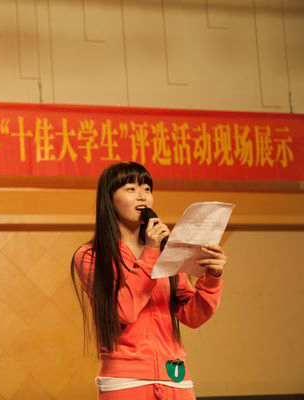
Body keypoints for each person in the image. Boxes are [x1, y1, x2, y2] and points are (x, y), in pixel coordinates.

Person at [71, 161, 226, 400]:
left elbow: (193, 316)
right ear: (109, 199)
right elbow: (123, 311)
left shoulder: (167, 253)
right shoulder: (91, 256)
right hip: (125, 381)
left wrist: (212, 278)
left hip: (175, 376)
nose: (142, 196)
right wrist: (151, 252)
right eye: (131, 189)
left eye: (146, 188)